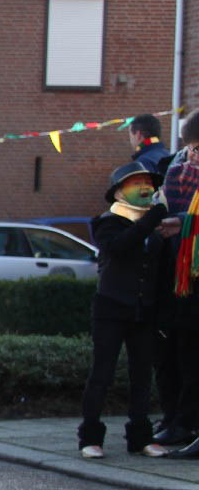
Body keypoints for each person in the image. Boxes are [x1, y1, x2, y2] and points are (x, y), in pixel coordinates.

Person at [79, 160, 172, 459]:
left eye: (148, 183)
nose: (145, 188)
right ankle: (90, 437)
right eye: (136, 183)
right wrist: (152, 219)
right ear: (119, 192)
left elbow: (158, 269)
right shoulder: (107, 223)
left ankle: (140, 437)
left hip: (143, 310)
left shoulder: (153, 227)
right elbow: (120, 247)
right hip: (111, 308)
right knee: (102, 373)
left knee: (142, 374)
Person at [151, 111, 199, 456]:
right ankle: (178, 419)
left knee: (191, 354)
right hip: (178, 276)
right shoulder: (177, 171)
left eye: (196, 149)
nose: (191, 156)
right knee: (175, 352)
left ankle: (186, 422)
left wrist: (181, 222)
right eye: (190, 148)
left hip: (191, 277)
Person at [129, 113, 171, 177]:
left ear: (138, 135)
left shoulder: (143, 163)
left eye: (130, 136)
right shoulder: (169, 156)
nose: (130, 141)